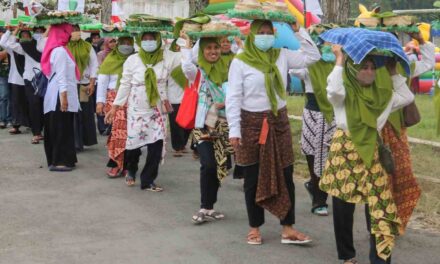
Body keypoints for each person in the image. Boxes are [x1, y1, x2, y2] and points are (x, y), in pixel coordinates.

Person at [226, 20, 320, 245]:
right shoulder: (240, 60)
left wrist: (299, 31)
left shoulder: (282, 55)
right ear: (252, 35)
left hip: (278, 121)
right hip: (250, 123)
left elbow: (313, 56)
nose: (265, 36)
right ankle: (254, 227)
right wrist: (234, 129)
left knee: (286, 174)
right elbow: (233, 97)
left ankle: (288, 228)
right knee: (252, 176)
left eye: (269, 33)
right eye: (261, 33)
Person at [319, 45, 415, 264]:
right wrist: (339, 61)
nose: (369, 72)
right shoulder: (344, 94)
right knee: (343, 208)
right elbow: (333, 90)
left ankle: (380, 259)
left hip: (372, 152)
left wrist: (392, 72)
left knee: (380, 207)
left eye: (373, 67)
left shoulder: (383, 96)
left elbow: (407, 96)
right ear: (354, 69)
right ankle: (347, 255)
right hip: (344, 152)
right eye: (364, 67)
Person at [381, 32, 435, 234]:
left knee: (404, 178)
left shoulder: (403, 67)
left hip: (396, 131)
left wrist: (421, 41)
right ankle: (380, 224)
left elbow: (429, 62)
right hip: (373, 132)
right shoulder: (366, 69)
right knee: (379, 181)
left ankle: (395, 222)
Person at [105, 31, 172, 191]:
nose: (149, 42)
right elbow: (125, 84)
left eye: (152, 39)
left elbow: (178, 75)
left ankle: (148, 179)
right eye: (145, 39)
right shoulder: (132, 60)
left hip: (157, 107)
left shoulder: (166, 58)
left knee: (156, 143)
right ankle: (132, 169)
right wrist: (115, 106)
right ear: (140, 41)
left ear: (158, 40)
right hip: (137, 106)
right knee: (133, 143)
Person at [180, 32, 233, 224]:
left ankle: (210, 207)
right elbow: (187, 65)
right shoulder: (198, 72)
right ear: (202, 51)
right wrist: (188, 45)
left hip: (224, 126)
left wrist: (224, 102)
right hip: (203, 126)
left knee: (220, 165)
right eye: (208, 48)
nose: (213, 51)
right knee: (208, 164)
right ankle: (204, 206)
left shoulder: (228, 68)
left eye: (216, 47)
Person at [290, 41, 337, 216]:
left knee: (328, 156)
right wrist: (305, 52)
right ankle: (318, 197)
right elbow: (292, 69)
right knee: (312, 154)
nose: (329, 47)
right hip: (313, 114)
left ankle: (318, 192)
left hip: (333, 116)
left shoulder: (339, 65)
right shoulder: (310, 66)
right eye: (324, 43)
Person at [41, 23, 80, 171]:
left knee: (63, 127)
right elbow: (61, 76)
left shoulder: (57, 49)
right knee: (61, 128)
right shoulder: (60, 51)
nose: (70, 35)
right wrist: (64, 98)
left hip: (59, 94)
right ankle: (60, 161)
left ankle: (65, 158)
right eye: (68, 32)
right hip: (60, 95)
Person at [96, 37, 135, 178]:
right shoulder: (110, 60)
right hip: (114, 102)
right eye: (123, 43)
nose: (125, 46)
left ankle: (127, 165)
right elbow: (102, 82)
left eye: (128, 43)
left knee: (130, 134)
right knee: (118, 132)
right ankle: (115, 163)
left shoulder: (136, 60)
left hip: (133, 100)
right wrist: (99, 102)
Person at [5, 23, 46, 144]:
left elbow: (45, 40)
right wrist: (16, 29)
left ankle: (46, 130)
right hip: (30, 79)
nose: (38, 33)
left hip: (45, 79)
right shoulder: (24, 47)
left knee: (46, 106)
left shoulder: (42, 44)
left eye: (40, 31)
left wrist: (48, 28)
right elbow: (10, 44)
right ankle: (37, 133)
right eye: (36, 31)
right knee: (34, 105)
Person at [68, 25, 99, 151]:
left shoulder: (87, 46)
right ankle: (74, 143)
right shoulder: (64, 46)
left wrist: (92, 83)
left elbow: (94, 64)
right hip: (69, 84)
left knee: (84, 113)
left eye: (77, 30)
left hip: (84, 84)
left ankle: (84, 140)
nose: (75, 32)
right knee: (71, 114)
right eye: (72, 30)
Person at [0, 28, 28, 135]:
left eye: (27, 35)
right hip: (16, 79)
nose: (25, 37)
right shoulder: (15, 48)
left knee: (29, 103)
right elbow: (3, 42)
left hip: (30, 79)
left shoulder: (31, 48)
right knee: (16, 103)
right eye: (23, 35)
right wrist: (14, 30)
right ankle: (16, 125)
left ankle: (31, 124)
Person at [167, 40, 191, 157]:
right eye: (179, 45)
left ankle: (182, 144)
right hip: (173, 95)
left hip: (188, 94)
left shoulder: (190, 55)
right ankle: (177, 147)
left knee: (187, 121)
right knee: (175, 122)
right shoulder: (169, 56)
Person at [0, 25, 12, 129]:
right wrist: (6, 52)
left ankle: (10, 119)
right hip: (3, 74)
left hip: (12, 74)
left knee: (11, 97)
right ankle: (4, 119)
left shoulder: (9, 42)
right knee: (4, 97)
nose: (2, 34)